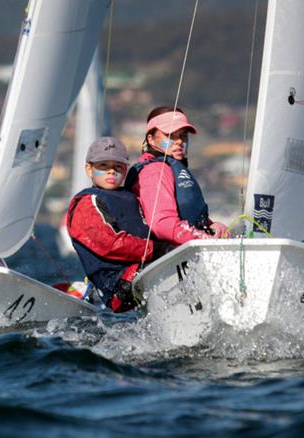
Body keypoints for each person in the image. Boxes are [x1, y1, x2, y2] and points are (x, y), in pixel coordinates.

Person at [66, 136, 168, 312]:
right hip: (119, 286)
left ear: (126, 169)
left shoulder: (131, 197)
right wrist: (156, 249)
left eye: (118, 167)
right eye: (103, 166)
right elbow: (109, 244)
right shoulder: (87, 202)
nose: (111, 172)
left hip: (143, 270)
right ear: (89, 169)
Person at [125, 106, 227, 246]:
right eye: (170, 135)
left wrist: (213, 227)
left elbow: (189, 214)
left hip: (186, 251)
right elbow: (162, 224)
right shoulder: (155, 171)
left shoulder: (172, 168)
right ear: (151, 139)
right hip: (167, 258)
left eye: (183, 135)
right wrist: (206, 240)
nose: (179, 141)